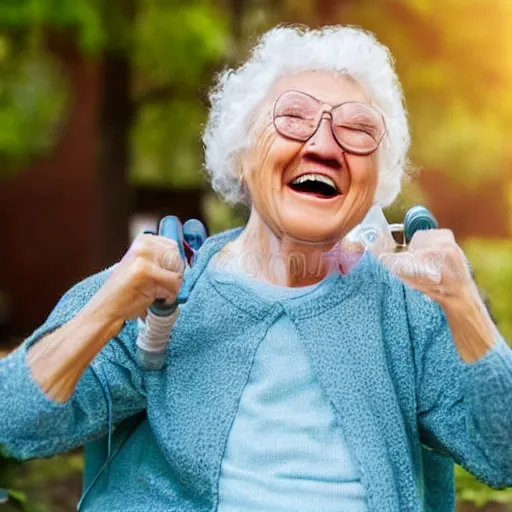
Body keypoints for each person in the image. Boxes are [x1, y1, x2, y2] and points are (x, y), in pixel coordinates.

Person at [1, 25, 511, 512]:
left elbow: (503, 456)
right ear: (242, 154)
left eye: (357, 130)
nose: (325, 146)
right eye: (293, 117)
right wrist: (106, 311)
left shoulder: (411, 309)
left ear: (375, 183)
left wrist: (465, 307)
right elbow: (13, 420)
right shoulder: (165, 290)